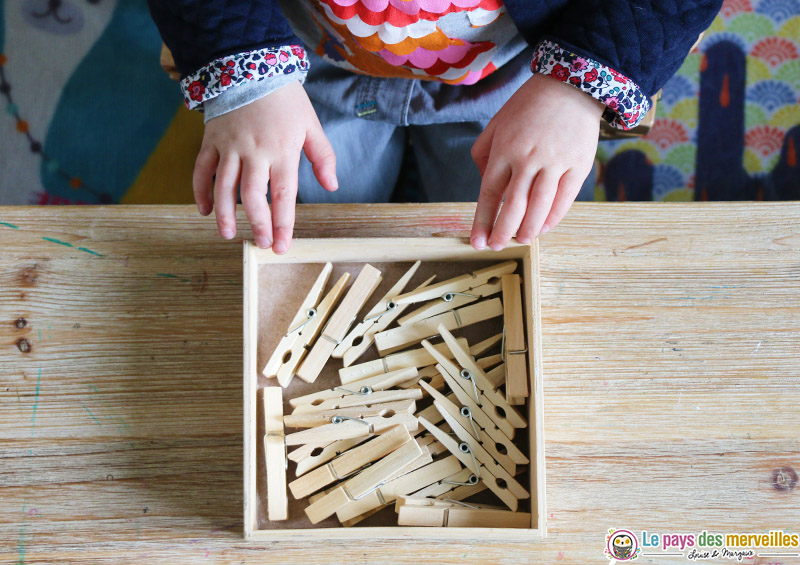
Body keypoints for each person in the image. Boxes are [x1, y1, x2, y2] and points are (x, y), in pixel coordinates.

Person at [148, 1, 721, 253]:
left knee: (501, 226)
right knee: (309, 227)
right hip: (306, 64)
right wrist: (245, 70)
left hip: (521, 79)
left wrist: (579, 87)